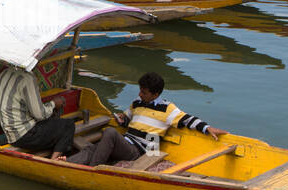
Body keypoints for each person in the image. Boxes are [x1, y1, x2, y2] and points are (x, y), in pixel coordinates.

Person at [67, 71, 223, 167]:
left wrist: (207, 128)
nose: (140, 94)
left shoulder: (167, 108)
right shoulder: (137, 103)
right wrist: (122, 118)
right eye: (140, 90)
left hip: (138, 151)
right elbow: (126, 118)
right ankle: (64, 164)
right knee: (91, 148)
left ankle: (94, 169)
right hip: (124, 143)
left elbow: (188, 120)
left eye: (144, 92)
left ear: (155, 95)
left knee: (109, 132)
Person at [0, 65, 74, 159]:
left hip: (9, 133)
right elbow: (40, 115)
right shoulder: (28, 78)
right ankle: (53, 160)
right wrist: (54, 104)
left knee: (54, 121)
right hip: (24, 136)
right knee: (69, 125)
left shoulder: (4, 73)